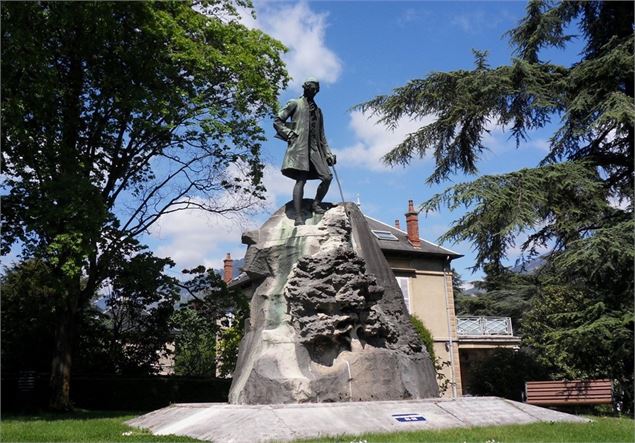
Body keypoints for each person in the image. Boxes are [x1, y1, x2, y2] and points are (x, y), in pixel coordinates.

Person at [274, 77, 336, 226]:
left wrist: (328, 153)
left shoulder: (318, 111)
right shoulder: (295, 103)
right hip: (300, 147)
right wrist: (289, 134)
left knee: (327, 177)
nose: (314, 91)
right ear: (305, 87)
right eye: (312, 88)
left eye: (316, 89)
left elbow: (322, 135)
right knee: (301, 179)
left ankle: (315, 204)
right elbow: (277, 120)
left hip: (315, 149)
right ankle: (298, 216)